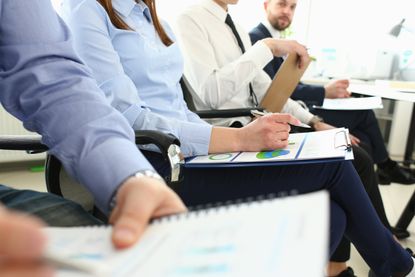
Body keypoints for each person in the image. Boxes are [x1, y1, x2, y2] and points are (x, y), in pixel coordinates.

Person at [63, 0, 415, 275]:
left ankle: (387, 263)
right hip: (151, 163)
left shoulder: (153, 20)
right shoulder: (90, 11)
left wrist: (229, 140)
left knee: (332, 210)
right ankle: (394, 265)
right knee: (335, 170)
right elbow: (127, 115)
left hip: (193, 148)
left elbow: (180, 107)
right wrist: (237, 140)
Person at [0, 0, 186, 275]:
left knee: (83, 238)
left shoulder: (158, 24)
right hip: (155, 145)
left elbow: (48, 75)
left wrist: (129, 175)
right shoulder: (85, 9)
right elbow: (130, 113)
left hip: (158, 150)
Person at [248, 0, 415, 185]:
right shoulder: (259, 40)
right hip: (291, 112)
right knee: (363, 116)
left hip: (298, 107)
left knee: (363, 140)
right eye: (282, 4)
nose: (287, 11)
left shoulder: (281, 41)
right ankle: (386, 167)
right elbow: (274, 91)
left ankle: (378, 175)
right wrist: (324, 91)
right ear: (266, 5)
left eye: (292, 7)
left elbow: (290, 83)